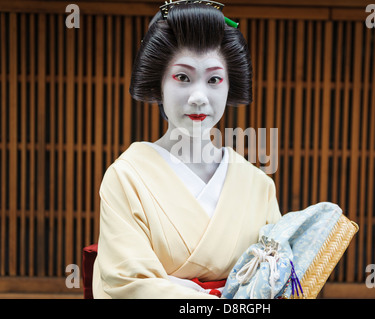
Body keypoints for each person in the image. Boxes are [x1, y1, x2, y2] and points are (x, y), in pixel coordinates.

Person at [92, 1, 282, 299]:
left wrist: (170, 284)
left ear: (229, 87)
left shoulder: (259, 185)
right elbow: (126, 283)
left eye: (214, 80)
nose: (198, 97)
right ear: (159, 85)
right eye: (182, 77)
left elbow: (277, 275)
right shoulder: (126, 177)